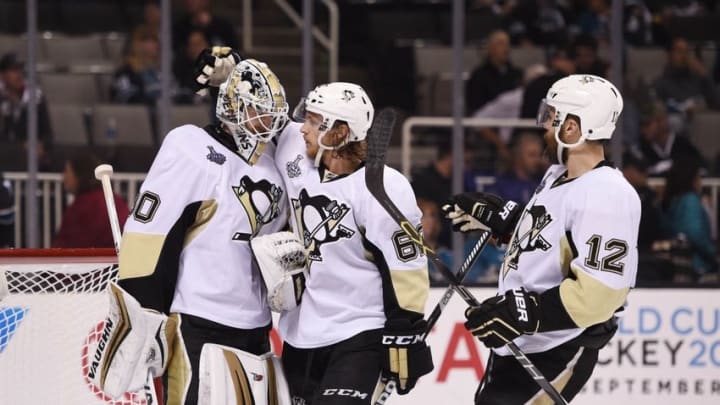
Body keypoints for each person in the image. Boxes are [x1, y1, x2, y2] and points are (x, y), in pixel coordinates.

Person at [444, 74, 640, 403]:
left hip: (558, 347)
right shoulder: (557, 176)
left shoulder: (608, 193)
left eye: (551, 118)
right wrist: (506, 220)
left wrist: (526, 312)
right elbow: (553, 239)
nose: (544, 126)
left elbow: (599, 294)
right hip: (523, 341)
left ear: (572, 128)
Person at [117, 57, 290, 404]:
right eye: (258, 111)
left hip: (257, 326)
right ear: (233, 108)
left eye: (272, 112)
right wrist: (141, 313)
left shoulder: (275, 162)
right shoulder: (191, 146)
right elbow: (148, 233)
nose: (268, 121)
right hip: (198, 320)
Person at [273, 82, 433, 403]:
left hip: (359, 334)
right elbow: (263, 114)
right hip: (300, 333)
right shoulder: (297, 150)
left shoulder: (383, 188)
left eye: (315, 121)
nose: (303, 128)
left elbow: (406, 267)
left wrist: (406, 327)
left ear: (340, 131)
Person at [52, 154, 130, 248]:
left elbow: (66, 247)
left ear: (79, 174)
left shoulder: (81, 207)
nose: (64, 177)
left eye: (67, 171)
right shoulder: (116, 200)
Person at [661, 159, 718, 283]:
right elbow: (695, 232)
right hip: (696, 264)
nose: (701, 182)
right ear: (691, 179)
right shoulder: (690, 200)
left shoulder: (673, 200)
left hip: (680, 264)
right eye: (698, 177)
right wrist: (713, 253)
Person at [0, 52, 53, 170]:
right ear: (2, 75)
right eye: (13, 70)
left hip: (27, 162)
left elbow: (47, 135)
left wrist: (40, 145)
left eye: (20, 70)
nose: (19, 75)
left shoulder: (36, 98)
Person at [465, 30, 522, 115]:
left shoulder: (517, 74)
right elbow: (475, 107)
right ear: (490, 48)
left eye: (507, 44)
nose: (506, 48)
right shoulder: (479, 75)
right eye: (501, 44)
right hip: (486, 122)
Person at [110, 28, 161, 104]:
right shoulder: (125, 72)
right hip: (137, 114)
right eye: (150, 41)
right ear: (137, 44)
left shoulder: (162, 70)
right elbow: (127, 98)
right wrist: (155, 103)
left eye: (155, 41)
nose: (155, 45)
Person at [0, 171, 13, 248]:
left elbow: (10, 199)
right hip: (8, 214)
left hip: (7, 215)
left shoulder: (6, 183)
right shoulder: (7, 183)